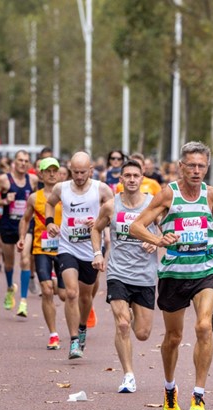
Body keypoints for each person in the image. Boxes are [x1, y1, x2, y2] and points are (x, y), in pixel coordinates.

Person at [129, 141, 213, 410]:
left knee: (204, 326)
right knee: (174, 337)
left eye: (201, 166)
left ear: (207, 167)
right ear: (181, 166)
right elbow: (136, 226)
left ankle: (198, 395)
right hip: (173, 274)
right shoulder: (167, 194)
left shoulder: (212, 194)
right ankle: (170, 389)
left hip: (205, 271)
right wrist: (159, 239)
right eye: (191, 165)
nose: (196, 171)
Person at [91, 160, 159, 393]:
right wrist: (97, 253)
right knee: (122, 324)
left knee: (142, 333)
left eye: (135, 175)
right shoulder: (111, 206)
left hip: (145, 275)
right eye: (127, 175)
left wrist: (156, 243)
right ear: (120, 179)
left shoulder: (152, 204)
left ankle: (129, 324)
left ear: (142, 178)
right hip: (118, 272)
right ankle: (128, 375)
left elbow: (168, 229)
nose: (131, 179)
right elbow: (96, 229)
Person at [45, 151, 114, 359]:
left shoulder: (101, 189)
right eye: (75, 172)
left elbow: (114, 211)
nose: (79, 176)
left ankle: (82, 327)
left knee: (86, 297)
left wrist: (102, 222)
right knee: (71, 293)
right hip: (67, 247)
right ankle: (74, 340)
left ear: (91, 170)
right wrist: (50, 222)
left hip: (91, 250)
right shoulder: (61, 188)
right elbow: (50, 203)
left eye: (83, 172)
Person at [18, 157, 66, 348]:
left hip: (65, 249)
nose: (52, 174)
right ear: (41, 174)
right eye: (48, 170)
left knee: (64, 294)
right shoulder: (34, 198)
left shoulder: (67, 195)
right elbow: (25, 219)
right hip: (42, 248)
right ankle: (53, 334)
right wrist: (22, 238)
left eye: (55, 170)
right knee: (46, 291)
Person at [0, 150, 38, 317]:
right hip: (8, 225)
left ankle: (23, 301)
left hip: (26, 226)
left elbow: (38, 200)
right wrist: (4, 201)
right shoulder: (4, 180)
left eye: (26, 160)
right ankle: (10, 287)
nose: (23, 163)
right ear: (14, 162)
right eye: (20, 160)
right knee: (9, 264)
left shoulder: (33, 180)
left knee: (25, 260)